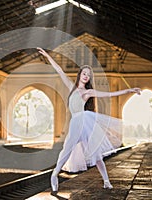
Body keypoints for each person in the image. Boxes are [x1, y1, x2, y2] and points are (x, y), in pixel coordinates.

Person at [37, 47, 141, 193]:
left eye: (89, 75)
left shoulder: (88, 92)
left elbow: (110, 94)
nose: (86, 76)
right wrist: (48, 56)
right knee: (66, 150)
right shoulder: (72, 88)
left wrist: (129, 90)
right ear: (80, 75)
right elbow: (60, 70)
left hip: (86, 123)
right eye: (84, 73)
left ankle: (106, 181)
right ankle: (54, 175)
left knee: (96, 155)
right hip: (76, 123)